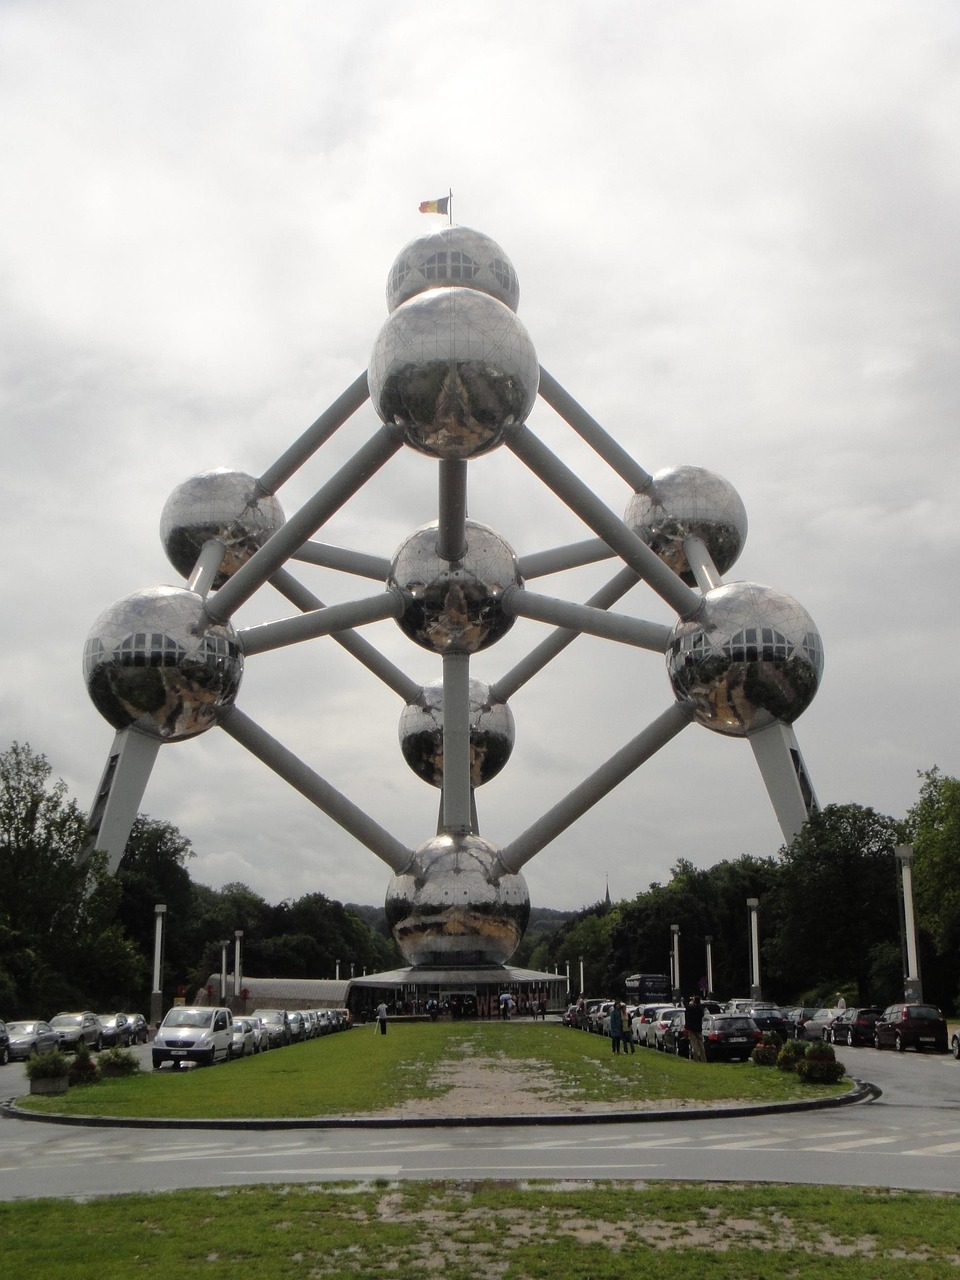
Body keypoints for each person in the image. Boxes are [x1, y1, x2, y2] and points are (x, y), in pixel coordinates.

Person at [684, 993, 705, 1062]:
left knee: (694, 1045)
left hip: (691, 1029)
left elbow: (686, 1005)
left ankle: (696, 1059)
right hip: (699, 1028)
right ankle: (703, 1059)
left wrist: (688, 999)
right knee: (701, 1044)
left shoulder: (691, 1009)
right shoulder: (700, 1009)